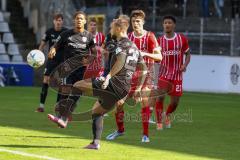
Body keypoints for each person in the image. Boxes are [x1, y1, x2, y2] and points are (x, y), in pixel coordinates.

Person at [48, 16, 147, 149]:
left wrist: (108, 77)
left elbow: (121, 61)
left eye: (112, 27)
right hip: (123, 88)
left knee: (78, 85)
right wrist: (138, 89)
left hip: (113, 83)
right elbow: (144, 69)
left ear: (118, 29)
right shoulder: (134, 46)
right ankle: (95, 143)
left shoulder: (122, 44)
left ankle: (64, 117)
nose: (110, 30)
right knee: (96, 112)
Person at [106, 10, 162, 142]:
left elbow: (159, 57)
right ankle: (120, 130)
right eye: (133, 21)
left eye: (138, 21)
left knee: (144, 102)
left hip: (146, 74)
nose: (135, 23)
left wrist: (145, 54)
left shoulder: (150, 36)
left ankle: (145, 135)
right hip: (129, 75)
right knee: (119, 103)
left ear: (143, 22)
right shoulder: (129, 37)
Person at [47, 11, 97, 125]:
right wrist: (53, 49)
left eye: (81, 18)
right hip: (67, 68)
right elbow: (56, 45)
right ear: (74, 20)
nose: (79, 20)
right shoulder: (66, 34)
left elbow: (94, 53)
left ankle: (63, 118)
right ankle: (60, 116)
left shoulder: (88, 36)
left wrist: (88, 60)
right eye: (77, 18)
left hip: (80, 70)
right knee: (65, 89)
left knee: (77, 92)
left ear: (84, 21)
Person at [155, 15, 191, 130]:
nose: (167, 25)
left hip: (177, 75)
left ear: (174, 25)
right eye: (165, 23)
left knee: (175, 102)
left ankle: (167, 115)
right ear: (163, 25)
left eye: (169, 23)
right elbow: (155, 58)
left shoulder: (181, 39)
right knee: (160, 97)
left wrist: (184, 65)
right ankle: (159, 123)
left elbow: (188, 54)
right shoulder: (159, 41)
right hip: (163, 74)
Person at [36, 13, 67, 112]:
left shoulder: (65, 32)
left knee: (60, 83)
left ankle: (58, 105)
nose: (58, 22)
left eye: (60, 20)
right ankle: (41, 106)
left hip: (62, 61)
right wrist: (38, 56)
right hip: (51, 60)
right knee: (46, 80)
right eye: (57, 20)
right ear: (54, 21)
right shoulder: (49, 32)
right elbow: (42, 45)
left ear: (62, 22)